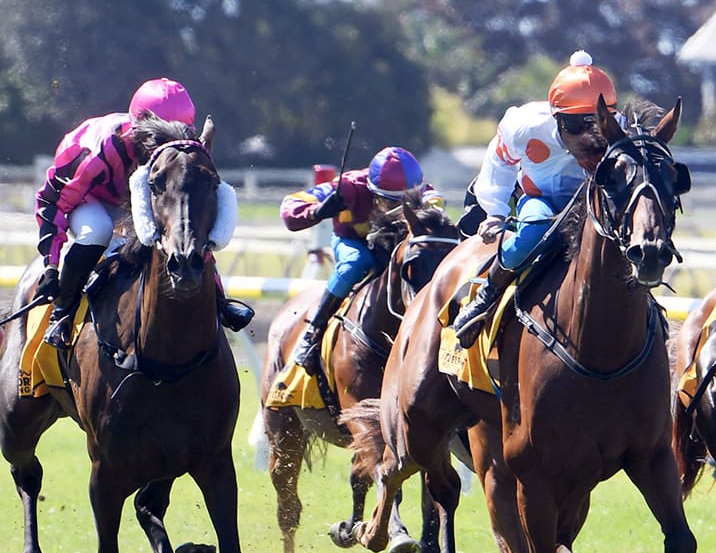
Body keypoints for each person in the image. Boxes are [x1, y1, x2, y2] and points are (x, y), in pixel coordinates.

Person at [34, 77, 253, 350]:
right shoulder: (97, 150)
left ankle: (219, 300)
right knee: (98, 230)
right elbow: (52, 201)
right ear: (140, 131)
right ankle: (62, 313)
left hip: (143, 197)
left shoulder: (182, 151)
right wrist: (51, 266)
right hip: (93, 199)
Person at [450, 49, 616, 348]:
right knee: (533, 232)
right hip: (542, 201)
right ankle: (487, 296)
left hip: (591, 207)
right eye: (577, 126)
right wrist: (496, 212)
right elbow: (499, 162)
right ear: (556, 118)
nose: (588, 138)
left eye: (597, 124)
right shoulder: (525, 126)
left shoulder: (621, 130)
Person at [280, 146, 443, 372]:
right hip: (354, 242)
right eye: (390, 202)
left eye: (405, 201)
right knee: (355, 263)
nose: (398, 209)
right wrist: (317, 211)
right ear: (372, 190)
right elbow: (290, 205)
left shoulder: (424, 192)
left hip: (394, 245)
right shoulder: (348, 186)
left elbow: (437, 205)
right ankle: (313, 333)